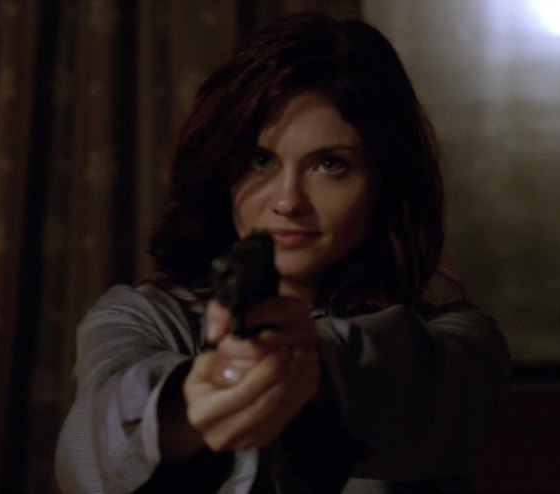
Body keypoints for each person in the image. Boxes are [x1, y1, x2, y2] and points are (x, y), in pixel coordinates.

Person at [56, 13, 511, 494]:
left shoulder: (458, 342)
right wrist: (190, 403)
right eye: (261, 160)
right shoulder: (140, 318)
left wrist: (309, 364)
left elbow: (412, 387)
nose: (288, 201)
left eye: (330, 164)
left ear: (385, 181)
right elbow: (91, 451)